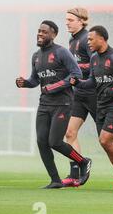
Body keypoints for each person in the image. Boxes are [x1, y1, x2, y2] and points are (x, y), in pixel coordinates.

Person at [15, 20, 91, 189]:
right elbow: (35, 80)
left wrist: (56, 86)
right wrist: (25, 83)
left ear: (54, 34)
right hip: (44, 104)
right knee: (42, 141)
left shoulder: (61, 52)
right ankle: (55, 180)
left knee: (55, 142)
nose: (40, 34)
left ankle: (83, 162)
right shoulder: (36, 56)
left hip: (63, 103)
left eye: (44, 32)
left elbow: (76, 74)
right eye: (39, 31)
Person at [71, 25, 113, 191]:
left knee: (105, 139)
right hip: (101, 104)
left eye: (91, 39)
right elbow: (93, 82)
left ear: (102, 38)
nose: (88, 42)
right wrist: (79, 83)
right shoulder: (94, 58)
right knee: (106, 143)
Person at [62, 7, 97, 187]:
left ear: (82, 20)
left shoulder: (86, 39)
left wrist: (76, 70)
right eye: (66, 19)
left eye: (70, 19)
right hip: (78, 94)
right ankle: (75, 173)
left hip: (93, 93)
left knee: (108, 138)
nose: (67, 22)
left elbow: (95, 65)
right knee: (69, 132)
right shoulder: (72, 40)